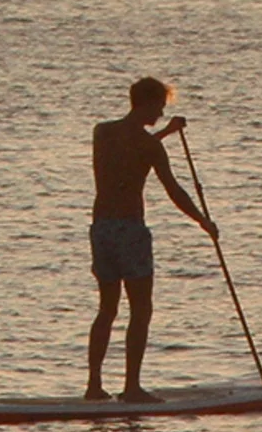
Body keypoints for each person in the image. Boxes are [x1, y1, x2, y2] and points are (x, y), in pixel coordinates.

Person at [86, 78, 217, 402]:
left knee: (107, 309)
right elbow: (173, 190)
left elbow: (133, 149)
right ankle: (131, 387)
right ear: (145, 103)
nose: (160, 113)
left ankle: (94, 386)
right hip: (130, 230)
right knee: (141, 309)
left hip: (101, 229)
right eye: (159, 106)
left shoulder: (102, 133)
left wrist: (164, 134)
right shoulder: (150, 147)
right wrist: (203, 221)